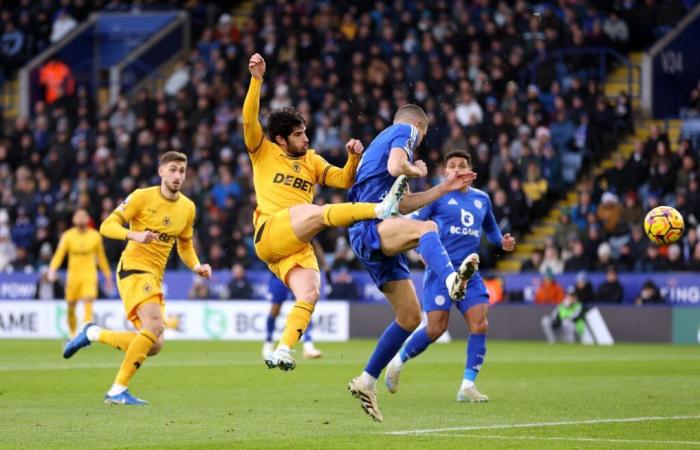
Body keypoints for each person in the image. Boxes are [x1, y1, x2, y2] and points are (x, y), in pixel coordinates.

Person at [244, 54, 405, 371]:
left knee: (310, 292)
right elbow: (249, 121)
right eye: (299, 134)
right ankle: (381, 209)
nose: (306, 138)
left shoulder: (313, 160)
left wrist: (352, 159)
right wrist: (256, 80)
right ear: (281, 139)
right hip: (270, 230)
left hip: (293, 245)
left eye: (305, 132)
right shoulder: (262, 151)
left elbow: (344, 180)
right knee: (317, 212)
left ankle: (283, 349)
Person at [345, 104, 477, 422]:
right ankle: (451, 281)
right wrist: (414, 169)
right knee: (428, 229)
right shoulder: (406, 131)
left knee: (409, 317)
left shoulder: (379, 146)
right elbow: (396, 167)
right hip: (369, 224)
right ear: (420, 126)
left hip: (374, 226)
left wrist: (443, 188)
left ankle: (366, 381)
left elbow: (403, 204)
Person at [62, 151, 213, 405]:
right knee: (154, 327)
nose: (178, 175)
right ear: (161, 172)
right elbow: (106, 226)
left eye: (182, 171)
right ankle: (117, 390)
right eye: (173, 169)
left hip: (154, 275)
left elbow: (184, 246)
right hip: (133, 267)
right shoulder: (141, 197)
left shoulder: (188, 208)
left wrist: (197, 266)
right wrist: (134, 235)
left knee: (154, 344)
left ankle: (93, 333)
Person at [384, 150, 516, 403]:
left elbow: (491, 230)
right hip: (441, 272)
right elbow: (415, 227)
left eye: (462, 165)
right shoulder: (437, 197)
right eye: (452, 166)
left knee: (480, 323)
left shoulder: (482, 199)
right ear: (445, 172)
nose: (457, 169)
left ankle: (467, 386)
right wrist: (422, 250)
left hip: (470, 271)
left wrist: (503, 241)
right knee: (436, 328)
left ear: (470, 170)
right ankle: (398, 361)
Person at [47, 209, 113, 337]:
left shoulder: (95, 236)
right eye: (78, 218)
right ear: (74, 221)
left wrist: (108, 276)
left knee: (88, 303)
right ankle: (72, 334)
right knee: (70, 307)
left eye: (84, 218)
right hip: (73, 277)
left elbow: (101, 258)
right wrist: (52, 269)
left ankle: (84, 336)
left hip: (89, 276)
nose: (81, 220)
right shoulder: (68, 236)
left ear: (87, 220)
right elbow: (59, 255)